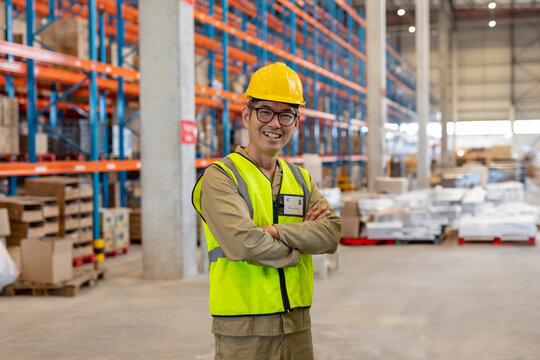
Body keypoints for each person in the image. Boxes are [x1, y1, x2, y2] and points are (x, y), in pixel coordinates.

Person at [192, 62, 341, 360]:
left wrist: (274, 232)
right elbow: (242, 242)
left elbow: (331, 234)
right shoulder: (221, 177)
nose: (275, 123)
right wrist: (300, 246)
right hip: (244, 329)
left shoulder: (300, 178)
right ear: (247, 115)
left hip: (298, 325)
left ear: (296, 122)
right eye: (265, 112)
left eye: (286, 114)